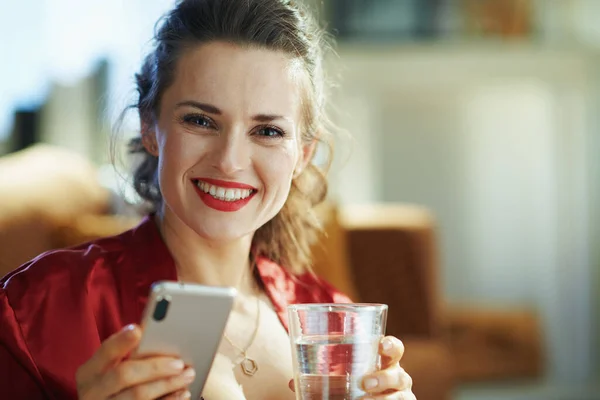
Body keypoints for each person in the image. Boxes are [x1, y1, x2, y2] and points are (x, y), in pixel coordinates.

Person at [0, 0, 416, 399]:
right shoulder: (34, 309)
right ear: (150, 128)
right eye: (200, 121)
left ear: (302, 156)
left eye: (267, 131)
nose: (230, 162)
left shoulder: (331, 316)